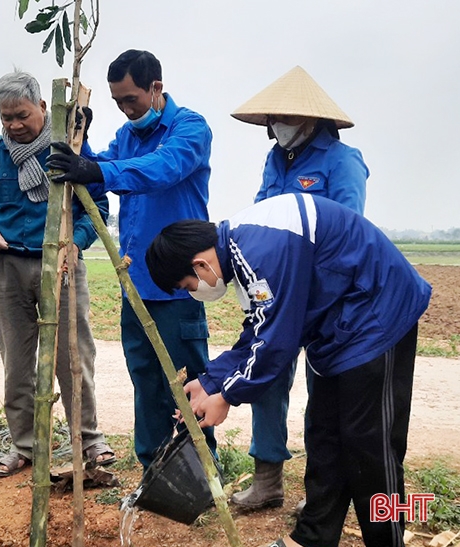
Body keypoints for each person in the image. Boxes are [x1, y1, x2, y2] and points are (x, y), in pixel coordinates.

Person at [145, 193, 431, 547]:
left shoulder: (261, 249)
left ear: (200, 265)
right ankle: (313, 538)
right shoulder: (242, 251)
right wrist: (209, 381)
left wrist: (228, 395)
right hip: (338, 328)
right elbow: (259, 329)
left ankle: (388, 541)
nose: (196, 292)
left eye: (189, 286)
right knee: (324, 435)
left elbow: (276, 342)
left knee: (372, 446)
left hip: (377, 315)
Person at [47, 49, 216, 469]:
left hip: (179, 284)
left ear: (156, 88)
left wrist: (99, 171)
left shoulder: (189, 128)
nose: (125, 109)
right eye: (117, 102)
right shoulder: (127, 137)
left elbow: (161, 168)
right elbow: (101, 170)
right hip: (135, 282)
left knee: (187, 385)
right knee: (145, 380)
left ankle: (199, 474)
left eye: (131, 99)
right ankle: (152, 471)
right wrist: (81, 150)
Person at [226, 65, 371, 509]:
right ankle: (267, 479)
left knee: (324, 393)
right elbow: (262, 216)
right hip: (281, 290)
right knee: (268, 379)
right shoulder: (275, 159)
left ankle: (321, 491)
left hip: (329, 296)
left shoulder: (343, 161)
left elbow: (348, 230)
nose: (276, 126)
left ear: (310, 118)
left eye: (283, 117)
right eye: (271, 119)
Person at [0, 71, 115, 477]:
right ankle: (25, 445)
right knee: (17, 362)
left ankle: (89, 441)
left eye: (22, 115)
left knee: (74, 357)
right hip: (7, 267)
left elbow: (98, 207)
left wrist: (75, 243)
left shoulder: (71, 150)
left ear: (43, 107)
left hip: (63, 265)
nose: (14, 125)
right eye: (6, 117)